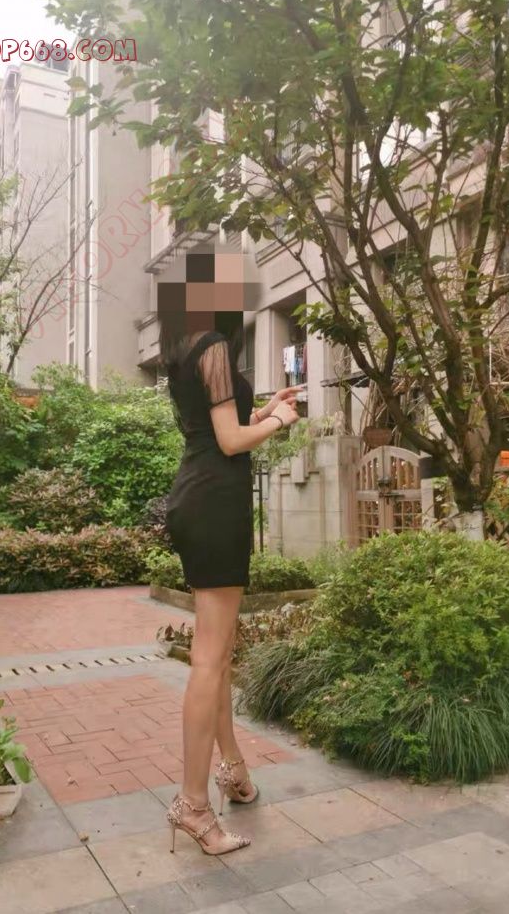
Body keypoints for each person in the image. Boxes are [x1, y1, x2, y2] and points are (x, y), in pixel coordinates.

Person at [160, 309, 302, 856]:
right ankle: (194, 806)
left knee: (213, 656)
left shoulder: (184, 346)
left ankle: (234, 771)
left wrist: (262, 410)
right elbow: (229, 441)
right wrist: (280, 422)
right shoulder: (214, 343)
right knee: (210, 660)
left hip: (197, 498)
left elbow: (214, 426)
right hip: (216, 504)